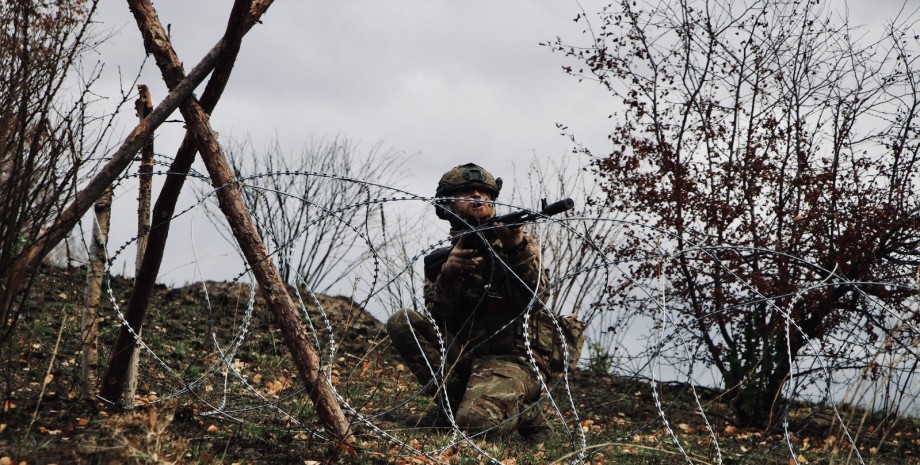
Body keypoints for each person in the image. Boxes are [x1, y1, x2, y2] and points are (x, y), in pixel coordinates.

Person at [387, 163, 583, 440]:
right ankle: (453, 407)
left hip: (515, 360)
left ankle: (525, 411)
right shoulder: (447, 256)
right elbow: (438, 316)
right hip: (468, 354)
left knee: (475, 427)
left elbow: (536, 300)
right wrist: (448, 274)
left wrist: (517, 249)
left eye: (484, 193)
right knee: (403, 321)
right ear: (447, 206)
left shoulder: (520, 244)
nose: (478, 196)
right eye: (467, 192)